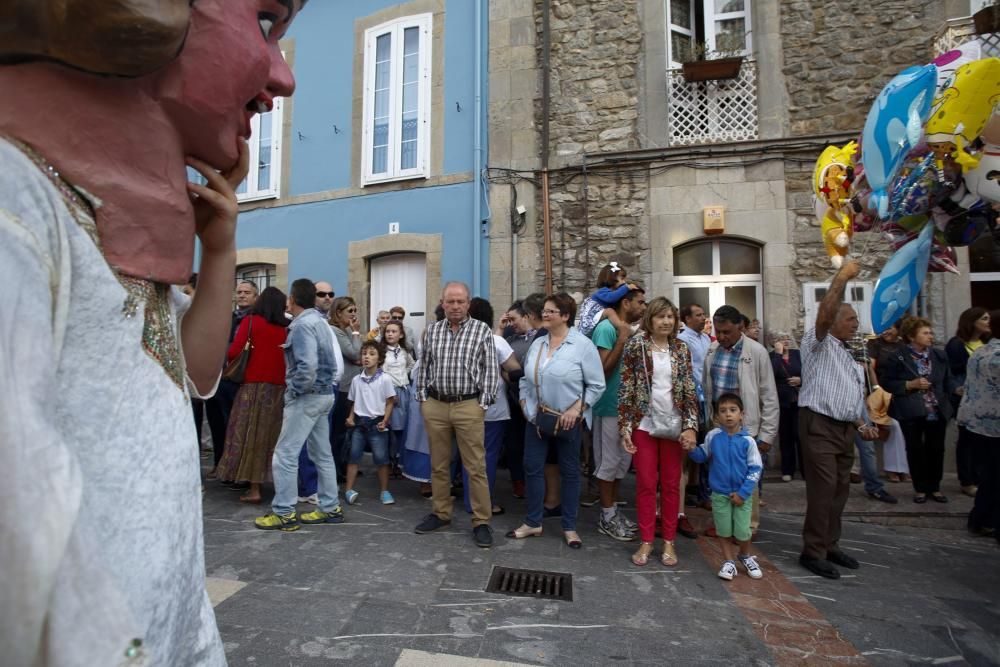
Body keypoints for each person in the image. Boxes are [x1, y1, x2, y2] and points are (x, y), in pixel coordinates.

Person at [0, 0, 307, 662]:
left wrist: (220, 251)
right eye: (264, 22)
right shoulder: (17, 205)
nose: (283, 77)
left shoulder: (112, 254)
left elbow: (192, 376)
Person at [797, 260, 881, 579]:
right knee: (823, 489)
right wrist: (841, 277)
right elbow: (826, 309)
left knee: (840, 490)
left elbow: (849, 398)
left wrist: (863, 424)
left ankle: (830, 545)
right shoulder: (817, 342)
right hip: (818, 425)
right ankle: (813, 551)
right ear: (832, 320)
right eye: (850, 318)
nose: (855, 323)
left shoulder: (848, 353)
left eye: (856, 319)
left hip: (844, 429)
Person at [508, 292, 606, 549]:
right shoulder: (539, 344)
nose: (545, 314)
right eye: (545, 311)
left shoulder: (582, 345)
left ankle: (570, 527)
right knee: (532, 467)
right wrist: (527, 408)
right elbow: (526, 382)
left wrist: (579, 408)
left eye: (551, 311)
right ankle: (533, 521)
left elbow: (597, 385)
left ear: (565, 316)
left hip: (569, 421)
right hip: (538, 418)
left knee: (570, 472)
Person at [414, 282, 499, 548]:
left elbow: (491, 369)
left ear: (468, 303)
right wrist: (422, 399)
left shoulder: (481, 330)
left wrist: (483, 403)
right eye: (450, 302)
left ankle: (482, 521)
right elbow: (424, 366)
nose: (455, 307)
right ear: (442, 302)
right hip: (436, 405)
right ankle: (441, 513)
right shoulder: (432, 332)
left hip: (468, 405)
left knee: (475, 467)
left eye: (460, 302)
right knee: (439, 465)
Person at [256, 279, 344, 531]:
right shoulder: (320, 322)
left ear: (291, 300)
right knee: (322, 455)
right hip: (325, 394)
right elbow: (330, 363)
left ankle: (284, 512)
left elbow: (307, 366)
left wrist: (294, 391)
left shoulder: (303, 325)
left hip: (307, 397)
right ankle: (330, 508)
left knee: (285, 455)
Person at [617, 297, 700, 566]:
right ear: (650, 319)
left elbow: (689, 390)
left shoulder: (681, 349)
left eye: (670, 317)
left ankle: (669, 542)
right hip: (644, 424)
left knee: (672, 484)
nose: (666, 322)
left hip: (674, 425)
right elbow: (626, 389)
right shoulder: (635, 347)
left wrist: (690, 427)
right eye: (660, 316)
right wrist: (625, 427)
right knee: (645, 483)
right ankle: (646, 541)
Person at [702, 306, 779, 539]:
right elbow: (708, 387)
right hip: (719, 424)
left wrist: (767, 434)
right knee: (721, 476)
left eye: (727, 332)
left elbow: (768, 395)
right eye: (718, 331)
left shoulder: (756, 352)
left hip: (745, 425)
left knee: (747, 479)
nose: (722, 336)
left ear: (741, 327)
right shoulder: (713, 349)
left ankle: (748, 527)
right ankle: (724, 523)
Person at [216, 286, 290, 503]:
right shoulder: (286, 328)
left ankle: (253, 488)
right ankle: (278, 486)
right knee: (271, 438)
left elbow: (234, 351)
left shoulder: (251, 321)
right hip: (279, 389)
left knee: (249, 436)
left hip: (252, 387)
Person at [880, 317, 960, 504]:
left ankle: (935, 487)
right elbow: (887, 382)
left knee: (936, 449)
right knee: (915, 449)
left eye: (930, 332)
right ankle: (920, 488)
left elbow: (948, 380)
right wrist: (909, 384)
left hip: (937, 409)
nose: (930, 336)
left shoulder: (939, 356)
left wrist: (957, 390)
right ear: (911, 336)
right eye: (925, 333)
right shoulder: (898, 357)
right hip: (912, 410)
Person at [687, 393, 764, 581]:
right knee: (723, 530)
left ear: (741, 414)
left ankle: (744, 556)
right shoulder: (713, 437)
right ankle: (728, 561)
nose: (728, 415)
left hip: (742, 495)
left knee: (743, 531)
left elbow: (756, 469)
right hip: (719, 494)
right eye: (723, 411)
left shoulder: (748, 441)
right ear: (717, 416)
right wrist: (690, 448)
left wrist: (743, 493)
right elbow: (701, 456)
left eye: (733, 410)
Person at [592, 286, 647, 541]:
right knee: (608, 463)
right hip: (608, 406)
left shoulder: (632, 331)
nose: (644, 308)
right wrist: (622, 338)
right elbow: (601, 370)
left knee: (620, 465)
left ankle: (612, 511)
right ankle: (606, 516)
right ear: (626, 303)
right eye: (640, 302)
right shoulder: (606, 329)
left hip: (628, 409)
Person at [464, 297, 522, 515]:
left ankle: (470, 501)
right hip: (492, 407)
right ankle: (482, 502)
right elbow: (515, 370)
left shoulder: (461, 340)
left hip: (466, 406)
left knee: (468, 455)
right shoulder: (496, 342)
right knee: (487, 456)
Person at [206, 279, 258, 478]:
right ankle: (219, 462)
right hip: (219, 377)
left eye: (247, 292)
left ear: (255, 296)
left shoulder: (256, 319)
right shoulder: (228, 318)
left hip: (240, 380)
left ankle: (236, 467)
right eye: (239, 292)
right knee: (217, 423)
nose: (242, 295)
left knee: (236, 425)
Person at [959, 310, 1000, 542]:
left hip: (976, 424)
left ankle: (980, 519)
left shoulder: (980, 352)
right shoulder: (996, 355)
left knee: (989, 477)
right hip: (995, 425)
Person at [946, 307, 992, 497]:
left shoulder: (988, 343)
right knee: (967, 440)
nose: (988, 322)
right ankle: (967, 480)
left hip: (987, 399)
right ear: (972, 321)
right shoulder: (957, 344)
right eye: (984, 318)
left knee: (984, 442)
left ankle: (981, 476)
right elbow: (950, 372)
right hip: (965, 398)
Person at [344, 341, 397, 505]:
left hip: (377, 424)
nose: (367, 357)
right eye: (364, 353)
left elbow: (390, 402)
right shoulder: (356, 380)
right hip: (359, 424)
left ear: (380, 358)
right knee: (353, 456)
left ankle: (384, 491)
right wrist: (351, 417)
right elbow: (354, 401)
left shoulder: (385, 379)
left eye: (372, 354)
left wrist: (385, 421)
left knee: (381, 458)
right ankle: (348, 489)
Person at [677, 302, 712, 536]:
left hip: (705, 399)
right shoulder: (684, 340)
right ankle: (688, 490)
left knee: (703, 444)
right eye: (698, 315)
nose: (702, 318)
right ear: (687, 318)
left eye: (703, 315)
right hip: (692, 398)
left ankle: (699, 489)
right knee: (687, 447)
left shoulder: (707, 340)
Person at [868, 322, 910, 482]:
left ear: (898, 329)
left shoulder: (904, 345)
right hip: (882, 392)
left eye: (889, 327)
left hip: (903, 391)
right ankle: (894, 468)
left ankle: (905, 468)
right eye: (883, 327)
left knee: (907, 427)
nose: (885, 331)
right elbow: (870, 367)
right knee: (892, 426)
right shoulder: (875, 344)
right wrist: (876, 388)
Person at [330, 296, 363, 474]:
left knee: (349, 431)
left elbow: (361, 354)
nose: (353, 315)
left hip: (352, 386)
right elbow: (354, 353)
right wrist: (357, 334)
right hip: (342, 387)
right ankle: (335, 469)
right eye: (350, 311)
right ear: (338, 313)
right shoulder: (336, 331)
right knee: (339, 431)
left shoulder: (348, 331)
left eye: (355, 310)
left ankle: (345, 465)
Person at [382, 320, 415, 477]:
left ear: (401, 334)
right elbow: (381, 373)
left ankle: (400, 460)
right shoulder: (383, 352)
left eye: (394, 331)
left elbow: (411, 364)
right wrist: (390, 390)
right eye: (388, 331)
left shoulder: (404, 351)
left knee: (403, 428)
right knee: (392, 427)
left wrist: (404, 375)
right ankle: (390, 461)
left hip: (404, 391)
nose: (390, 334)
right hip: (390, 393)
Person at [770, 332, 802, 481]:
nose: (785, 341)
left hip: (798, 400)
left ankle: (805, 470)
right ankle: (787, 470)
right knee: (785, 436)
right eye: (781, 339)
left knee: (800, 435)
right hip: (782, 402)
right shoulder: (772, 356)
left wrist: (800, 380)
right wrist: (777, 354)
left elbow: (808, 372)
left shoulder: (797, 354)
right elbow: (771, 373)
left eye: (787, 338)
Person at [577, 261, 632, 337]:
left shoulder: (614, 292)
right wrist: (626, 288)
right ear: (612, 278)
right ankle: (622, 328)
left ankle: (625, 327)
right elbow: (611, 298)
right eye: (622, 278)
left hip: (596, 321)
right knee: (610, 312)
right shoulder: (602, 291)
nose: (624, 282)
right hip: (590, 319)